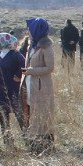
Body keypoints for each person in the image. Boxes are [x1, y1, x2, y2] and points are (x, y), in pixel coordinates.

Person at [23, 18, 56, 155]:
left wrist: (31, 71)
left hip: (42, 86)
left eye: (30, 29)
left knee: (42, 114)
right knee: (34, 114)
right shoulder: (32, 45)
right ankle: (35, 144)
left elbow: (49, 68)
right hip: (31, 84)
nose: (28, 32)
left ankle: (45, 145)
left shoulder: (46, 47)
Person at [0, 33, 26, 144]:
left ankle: (27, 138)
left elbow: (24, 65)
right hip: (0, 88)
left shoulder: (15, 54)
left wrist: (19, 75)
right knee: (3, 114)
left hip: (13, 88)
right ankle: (7, 140)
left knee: (18, 113)